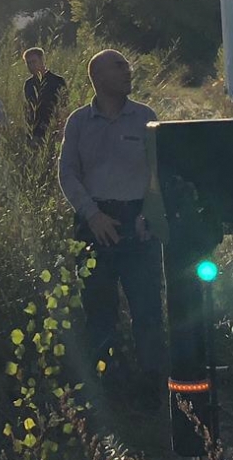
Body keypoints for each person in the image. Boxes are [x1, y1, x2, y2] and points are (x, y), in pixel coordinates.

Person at [57, 49, 164, 394]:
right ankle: (111, 387)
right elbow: (68, 173)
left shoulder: (146, 118)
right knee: (99, 312)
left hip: (138, 224)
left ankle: (151, 386)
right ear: (98, 77)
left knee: (147, 309)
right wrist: (92, 215)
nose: (128, 71)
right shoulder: (78, 122)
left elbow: (158, 173)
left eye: (128, 66)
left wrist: (148, 213)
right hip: (94, 224)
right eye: (119, 66)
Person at [22, 47, 68, 146]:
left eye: (34, 61)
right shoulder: (28, 84)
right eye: (28, 63)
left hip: (53, 129)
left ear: (42, 60)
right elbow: (29, 109)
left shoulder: (57, 81)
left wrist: (61, 129)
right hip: (35, 132)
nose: (31, 65)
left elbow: (64, 106)